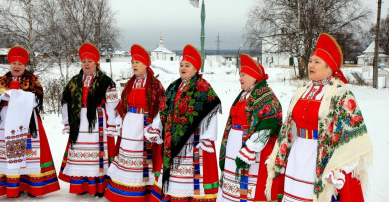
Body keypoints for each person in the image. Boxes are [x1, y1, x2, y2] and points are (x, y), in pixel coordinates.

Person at [266, 33, 373, 202]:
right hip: (297, 157)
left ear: (329, 67)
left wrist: (341, 168)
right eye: (310, 61)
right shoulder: (303, 90)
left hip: (321, 160)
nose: (311, 65)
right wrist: (280, 154)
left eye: (317, 62)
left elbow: (353, 137)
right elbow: (290, 127)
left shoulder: (341, 94)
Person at [0, 46, 60, 198]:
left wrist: (15, 96)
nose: (16, 66)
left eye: (20, 64)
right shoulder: (2, 80)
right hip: (6, 122)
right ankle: (11, 186)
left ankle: (31, 186)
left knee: (29, 154)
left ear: (25, 66)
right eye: (14, 63)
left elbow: (36, 100)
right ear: (10, 64)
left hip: (27, 122)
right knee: (9, 153)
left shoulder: (32, 80)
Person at [149, 44, 221, 202]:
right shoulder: (174, 87)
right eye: (181, 64)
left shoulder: (202, 88)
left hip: (192, 144)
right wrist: (157, 128)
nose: (183, 68)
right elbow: (164, 110)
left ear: (196, 69)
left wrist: (207, 138)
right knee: (175, 181)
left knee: (190, 183)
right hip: (172, 143)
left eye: (187, 65)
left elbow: (211, 111)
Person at [217, 54, 283, 202]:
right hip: (235, 146)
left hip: (253, 151)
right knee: (231, 190)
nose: (240, 78)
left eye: (244, 75)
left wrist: (250, 148)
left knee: (250, 191)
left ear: (254, 77)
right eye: (240, 75)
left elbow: (268, 124)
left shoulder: (266, 96)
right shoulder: (243, 95)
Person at [105, 44, 165, 201]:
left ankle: (143, 191)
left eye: (137, 62)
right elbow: (123, 105)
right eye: (132, 62)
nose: (134, 65)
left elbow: (161, 107)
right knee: (127, 158)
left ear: (146, 64)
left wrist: (154, 127)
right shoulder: (130, 83)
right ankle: (123, 191)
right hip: (129, 126)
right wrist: (119, 119)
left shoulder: (155, 85)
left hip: (144, 126)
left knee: (144, 160)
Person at [59, 42, 120, 197]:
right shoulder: (74, 81)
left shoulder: (106, 81)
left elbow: (112, 104)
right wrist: (67, 121)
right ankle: (81, 186)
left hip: (97, 122)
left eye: (89, 61)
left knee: (97, 154)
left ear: (96, 63)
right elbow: (65, 102)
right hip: (79, 122)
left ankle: (99, 187)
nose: (86, 64)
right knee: (81, 154)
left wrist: (112, 123)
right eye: (84, 61)